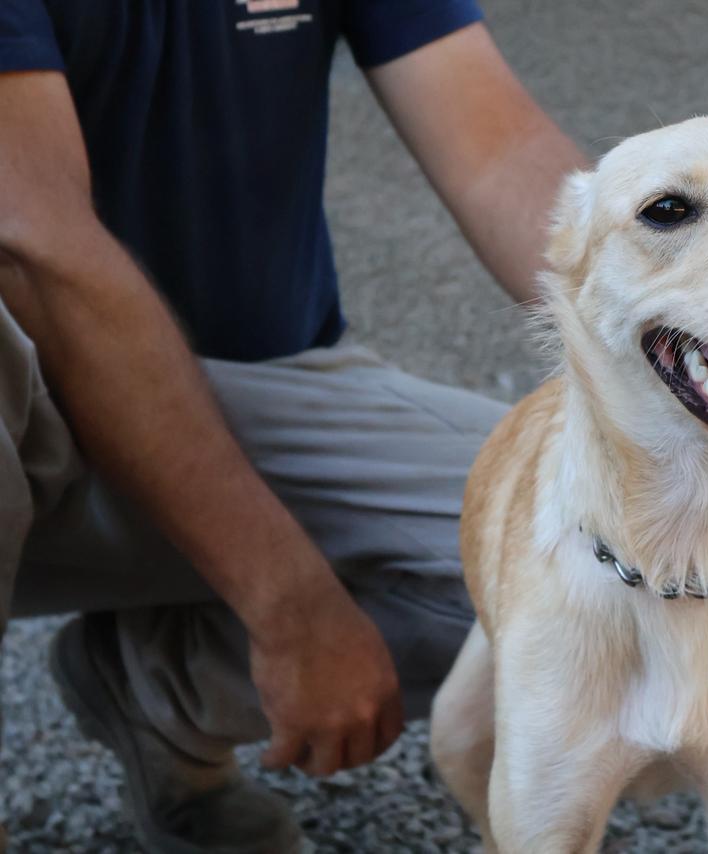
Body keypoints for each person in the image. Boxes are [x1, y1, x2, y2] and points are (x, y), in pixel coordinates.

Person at [0, 2, 586, 850]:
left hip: (260, 395)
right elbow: (34, 243)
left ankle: (158, 685)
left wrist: (687, 368)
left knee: (600, 576)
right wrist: (289, 602)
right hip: (26, 396)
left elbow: (499, 152)